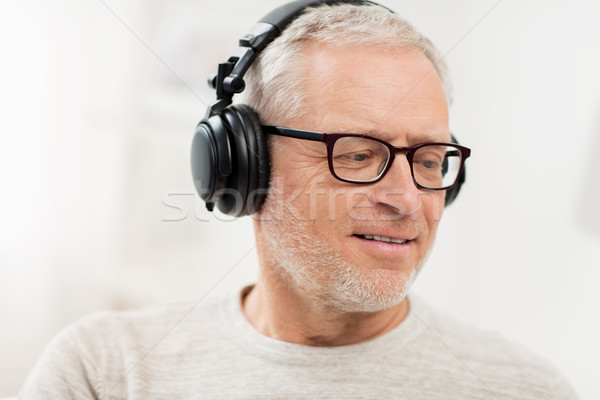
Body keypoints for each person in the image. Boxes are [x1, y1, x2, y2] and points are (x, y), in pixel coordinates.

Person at [20, 1, 578, 399]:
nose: (409, 200)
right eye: (358, 155)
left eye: (430, 160)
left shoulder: (524, 388)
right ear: (242, 165)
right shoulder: (99, 371)